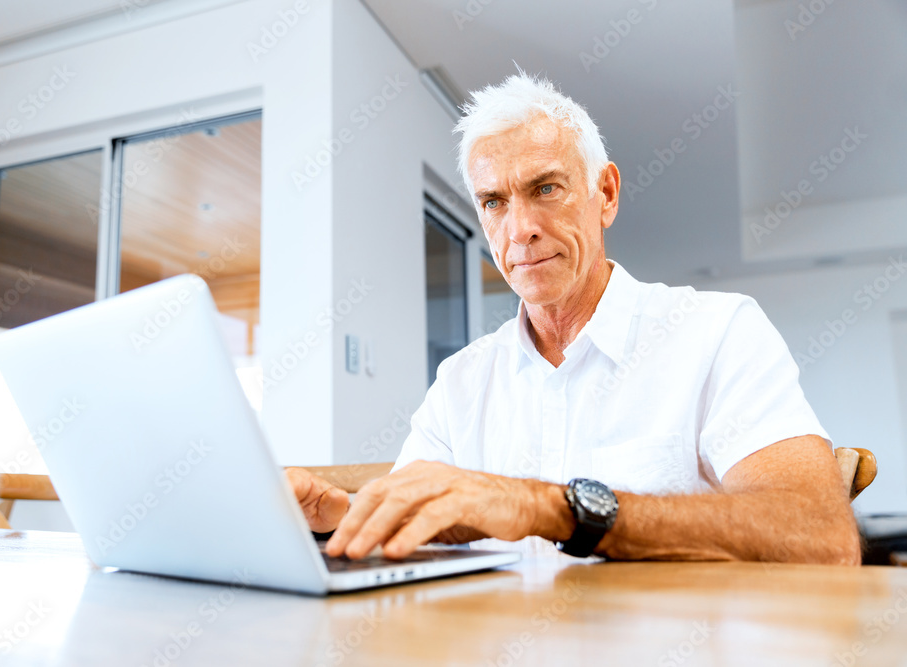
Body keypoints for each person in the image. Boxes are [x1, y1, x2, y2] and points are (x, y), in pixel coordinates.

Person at [286, 72, 861, 565]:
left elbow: (820, 538)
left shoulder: (717, 332)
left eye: (545, 188)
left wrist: (548, 507)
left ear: (604, 194)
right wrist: (347, 519)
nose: (519, 229)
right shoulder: (461, 381)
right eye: (494, 202)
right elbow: (426, 530)